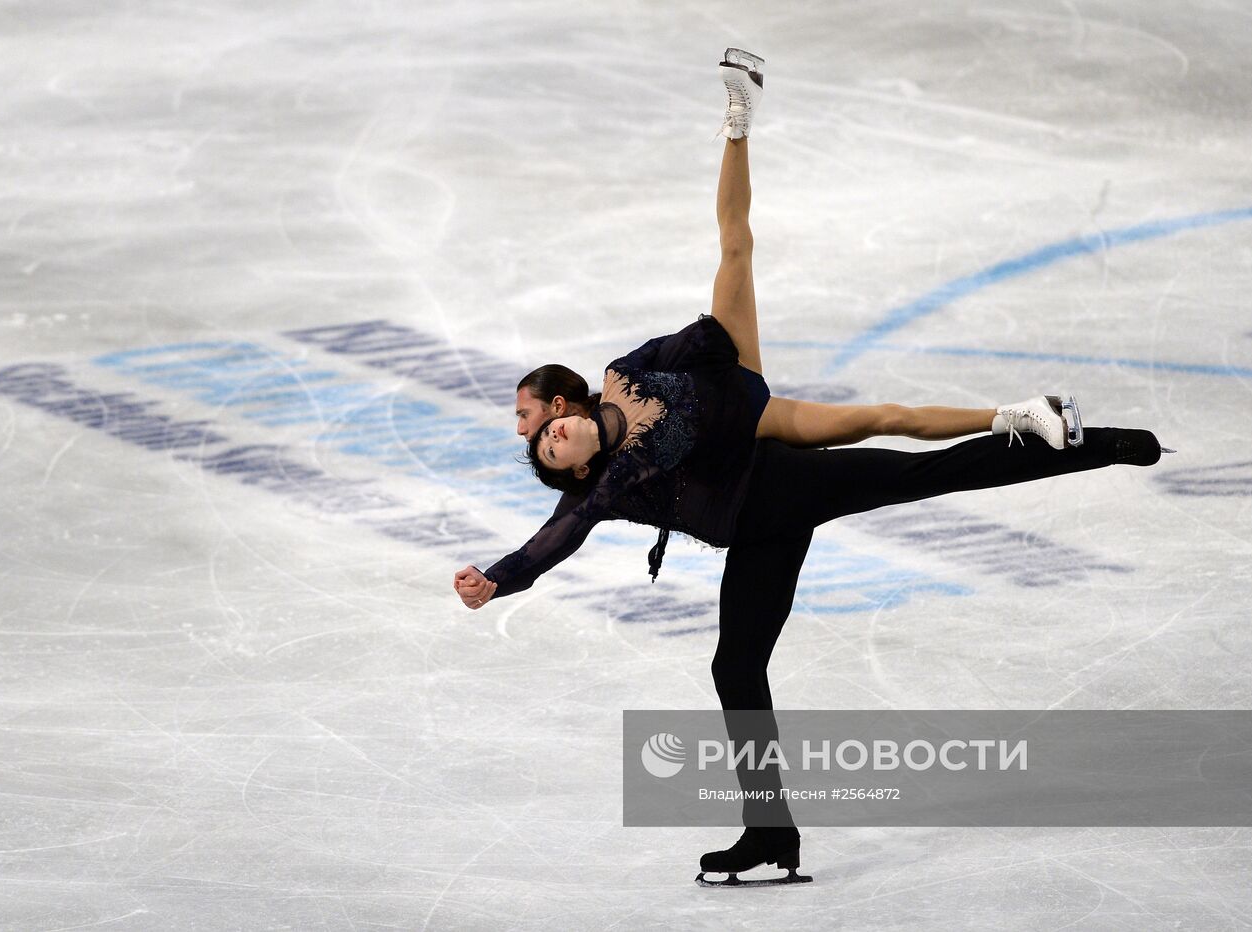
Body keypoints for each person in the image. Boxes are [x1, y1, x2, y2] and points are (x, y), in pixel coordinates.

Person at [454, 50, 1164, 885]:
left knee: (769, 292)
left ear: (567, 415)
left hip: (769, 456)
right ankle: (772, 833)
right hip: (760, 518)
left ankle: (1086, 442)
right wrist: (497, 582)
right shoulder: (608, 489)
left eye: (545, 431)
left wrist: (720, 347)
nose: (548, 442)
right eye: (544, 451)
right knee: (734, 666)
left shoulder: (617, 374)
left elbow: (687, 344)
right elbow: (551, 543)